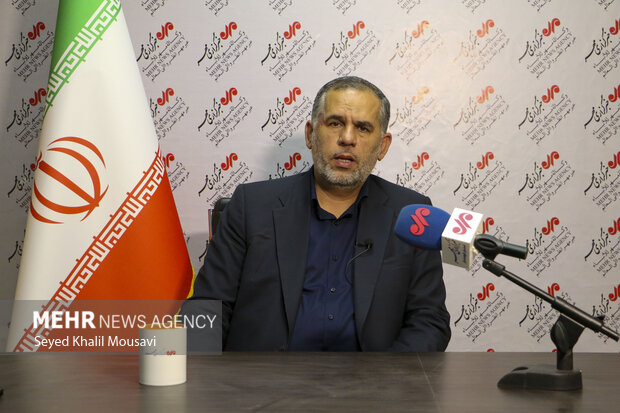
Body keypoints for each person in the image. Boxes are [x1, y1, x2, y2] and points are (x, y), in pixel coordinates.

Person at [186, 76, 451, 351]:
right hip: (264, 376)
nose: (347, 139)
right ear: (310, 134)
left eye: (363, 128)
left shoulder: (413, 216)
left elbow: (430, 321)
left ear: (382, 146)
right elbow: (207, 307)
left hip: (372, 377)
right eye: (335, 123)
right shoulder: (251, 206)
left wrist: (384, 375)